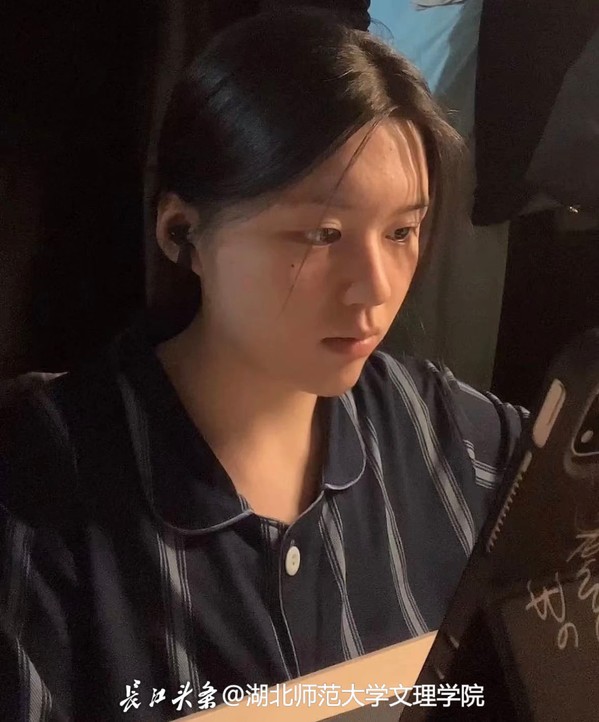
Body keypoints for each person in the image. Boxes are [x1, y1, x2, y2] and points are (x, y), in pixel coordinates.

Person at [0, 7, 527, 721]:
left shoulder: (440, 428)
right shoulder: (44, 487)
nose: (375, 288)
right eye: (322, 234)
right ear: (182, 233)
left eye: (402, 230)